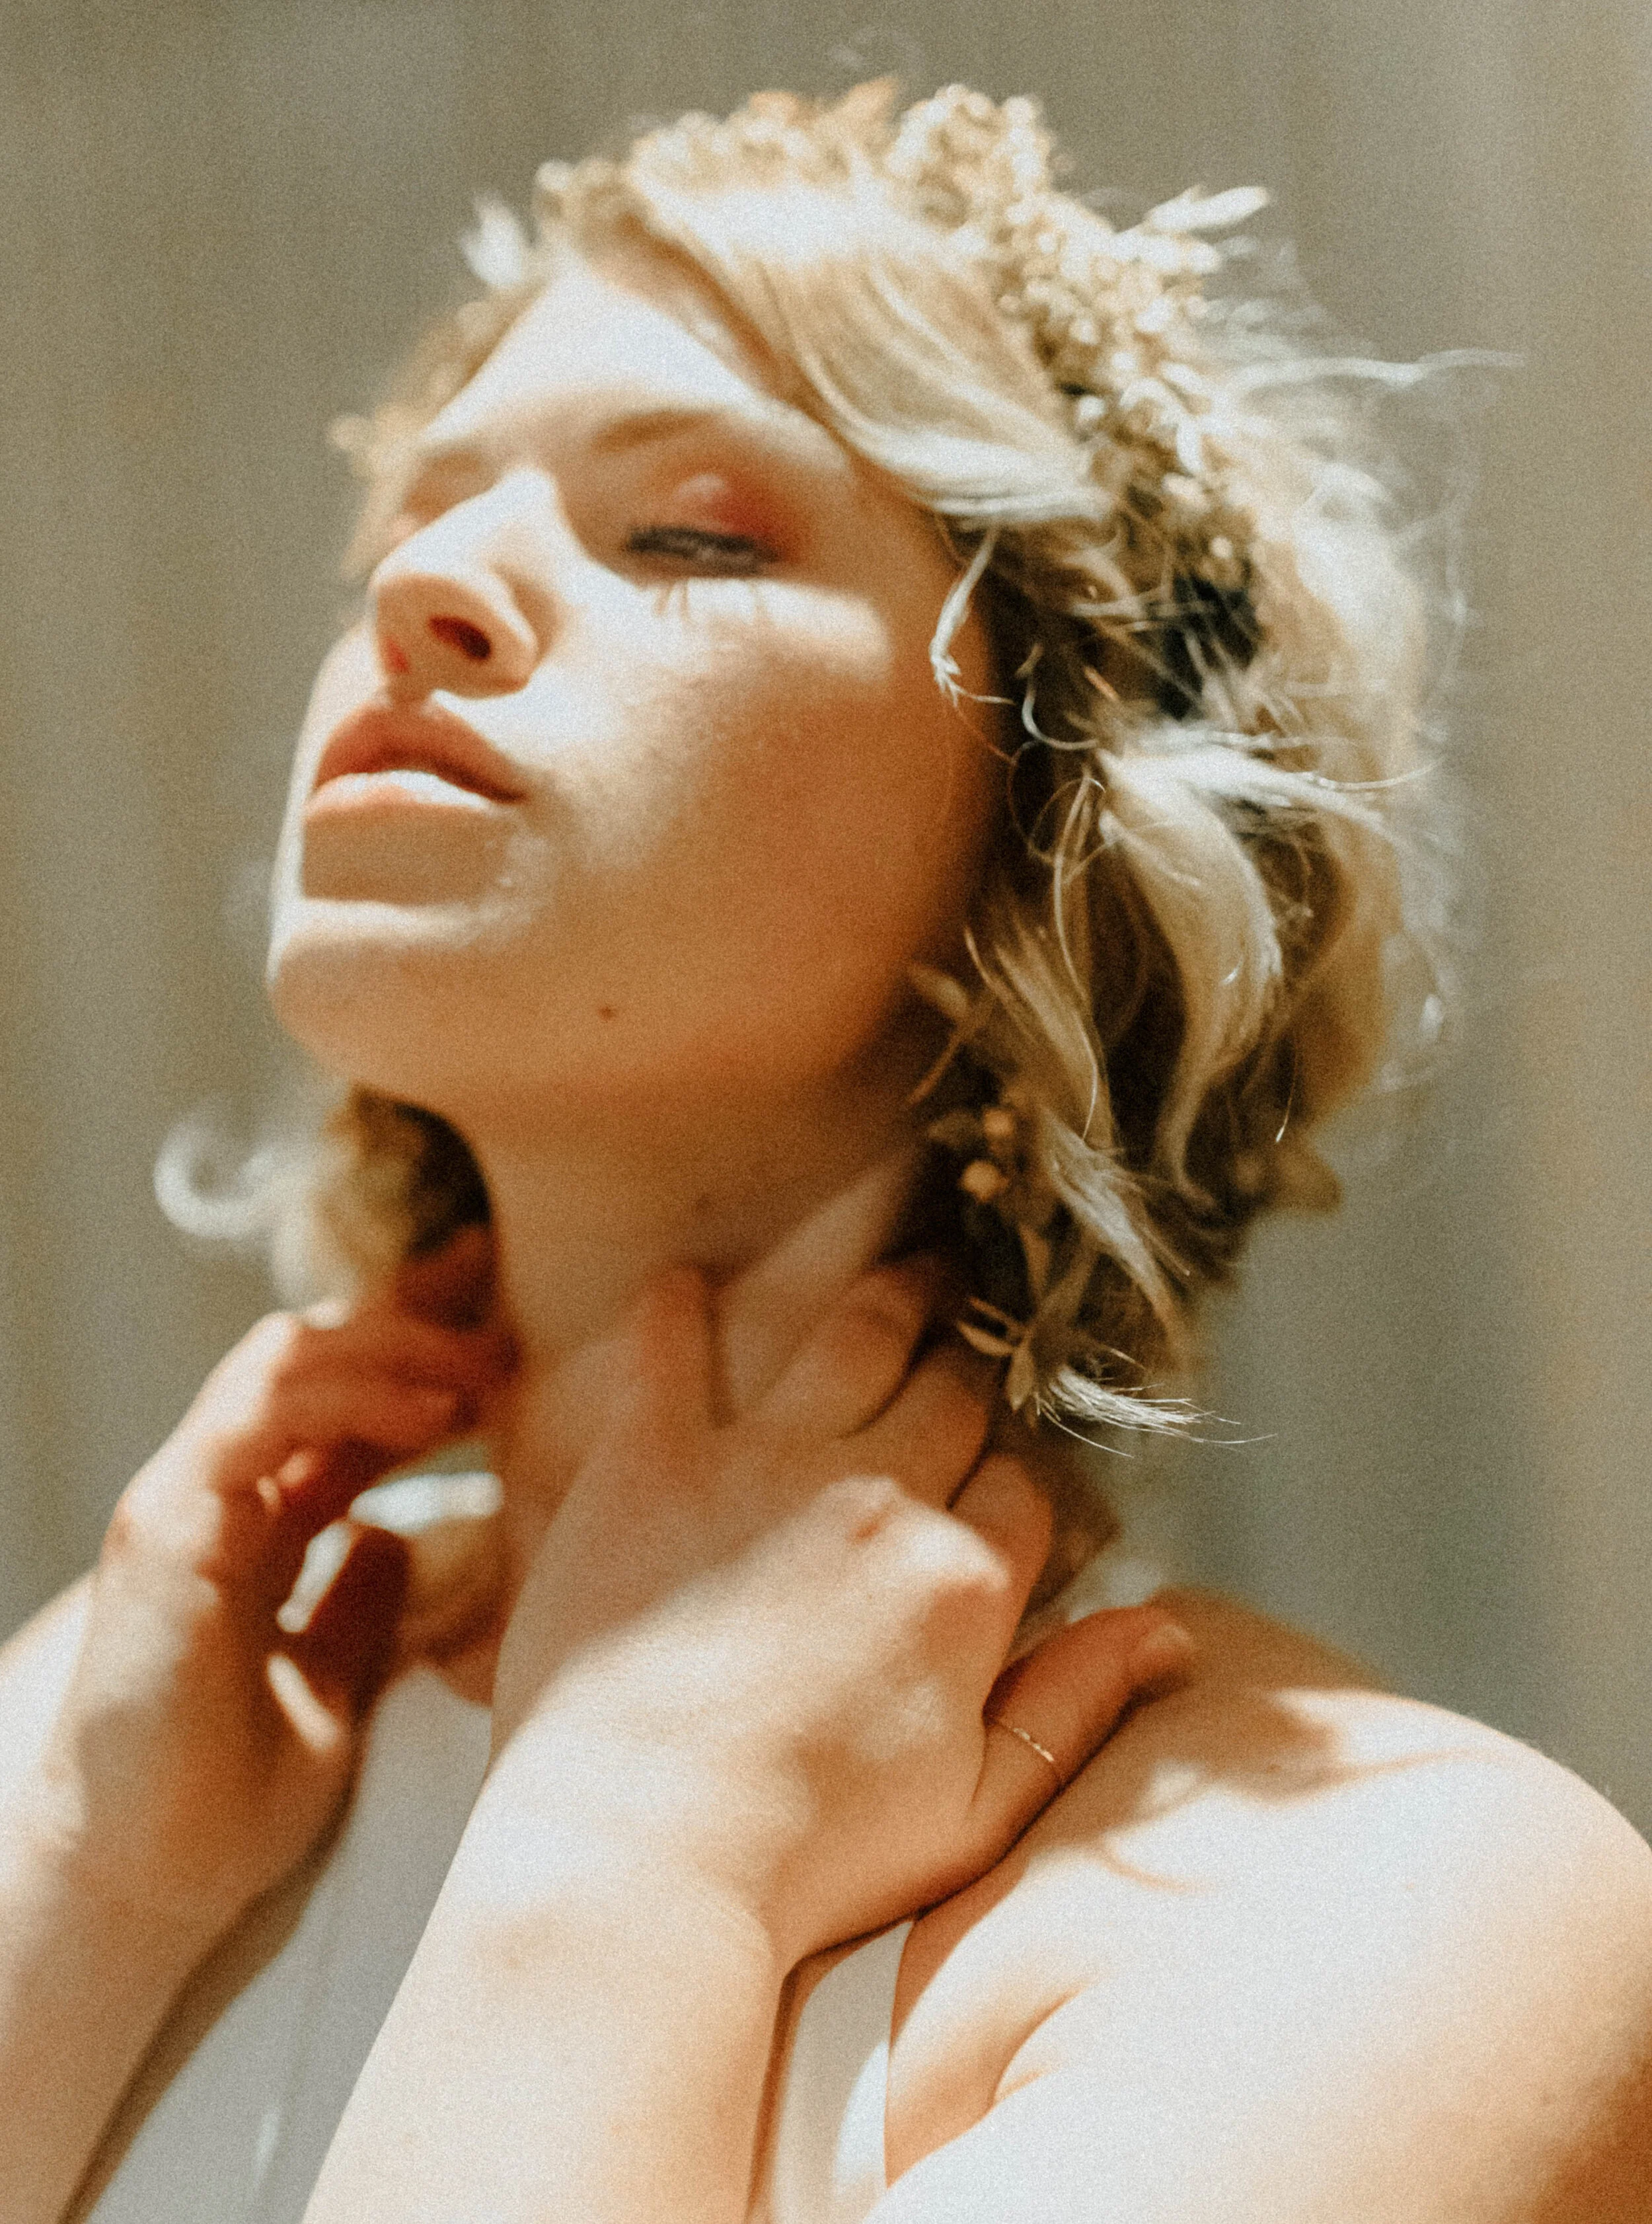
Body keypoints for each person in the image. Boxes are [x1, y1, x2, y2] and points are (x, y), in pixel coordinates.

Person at [3, 79, 1651, 2224]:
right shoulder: (112, 1740)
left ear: (1059, 815)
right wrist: (80, 1888)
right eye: (404, 519)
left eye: (689, 530)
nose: (425, 584)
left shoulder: (1394, 1918)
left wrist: (630, 1860)